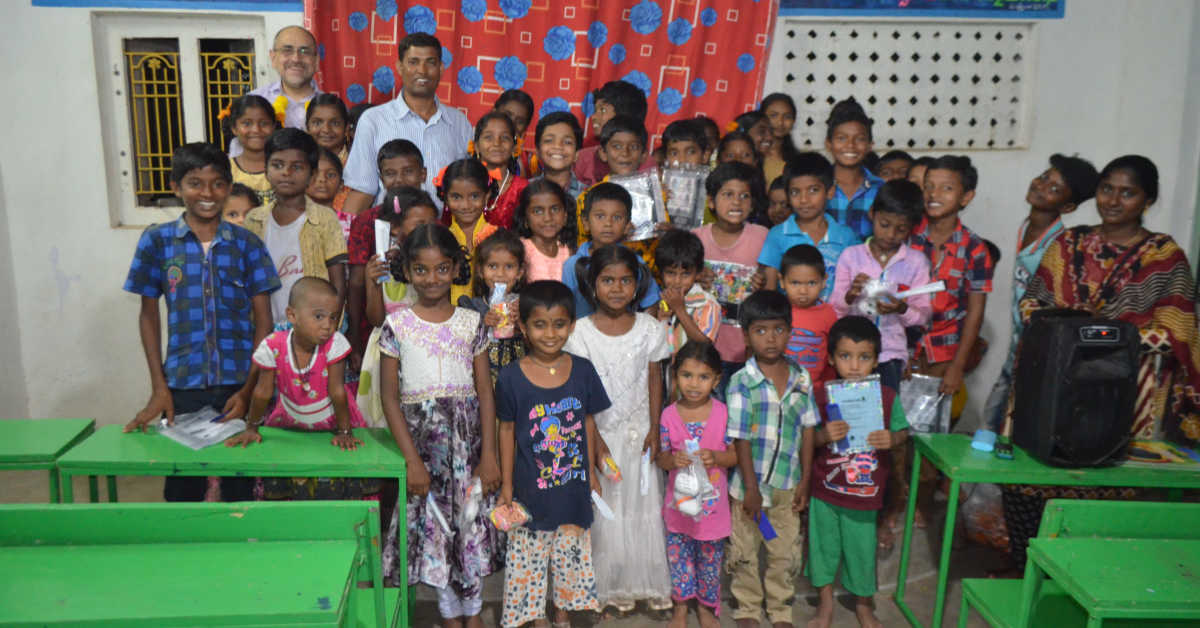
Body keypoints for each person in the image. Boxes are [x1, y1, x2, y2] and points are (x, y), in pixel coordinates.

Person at [1001, 155, 1200, 572]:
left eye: (1127, 192)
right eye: (1107, 188)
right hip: (1053, 385)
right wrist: (1080, 335)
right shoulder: (1069, 244)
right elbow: (1033, 302)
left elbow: (1178, 331)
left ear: (1148, 199)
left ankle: (1090, 583)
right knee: (1030, 483)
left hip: (1126, 396)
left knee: (1109, 496)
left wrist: (1096, 338)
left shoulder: (1165, 257)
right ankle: (1025, 577)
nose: (1112, 200)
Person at [122, 142, 279, 502]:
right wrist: (160, 387)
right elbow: (148, 316)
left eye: (217, 184)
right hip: (182, 384)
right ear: (176, 186)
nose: (207, 194)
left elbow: (264, 321)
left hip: (238, 385)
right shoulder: (157, 242)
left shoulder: (247, 244)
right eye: (195, 183)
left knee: (241, 484)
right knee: (182, 486)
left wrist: (250, 387)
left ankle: (239, 554)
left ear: (228, 186)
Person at [376, 223, 501, 623]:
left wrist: (490, 457)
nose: (432, 279)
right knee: (435, 529)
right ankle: (449, 612)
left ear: (456, 269)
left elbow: (485, 392)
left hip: (469, 449)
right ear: (408, 272)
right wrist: (412, 461)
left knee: (470, 524)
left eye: (442, 269)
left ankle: (475, 610)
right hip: (423, 449)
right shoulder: (396, 326)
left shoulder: (471, 323)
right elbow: (390, 399)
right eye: (422, 270)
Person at [564, 244, 674, 614]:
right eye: (607, 280)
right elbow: (578, 395)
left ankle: (641, 583)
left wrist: (655, 428)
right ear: (592, 285)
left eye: (625, 280)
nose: (616, 288)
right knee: (607, 508)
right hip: (600, 434)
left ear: (637, 284)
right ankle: (609, 587)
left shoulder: (649, 329)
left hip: (639, 430)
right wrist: (590, 443)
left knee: (641, 504)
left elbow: (655, 381)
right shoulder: (579, 333)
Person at [496, 280, 607, 628]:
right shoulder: (511, 378)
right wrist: (507, 486)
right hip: (530, 492)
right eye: (539, 324)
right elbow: (507, 431)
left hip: (572, 489)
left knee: (570, 555)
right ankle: (534, 615)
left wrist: (590, 473)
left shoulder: (583, 371)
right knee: (528, 557)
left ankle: (563, 610)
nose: (550, 334)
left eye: (559, 324)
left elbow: (587, 423)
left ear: (572, 325)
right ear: (523, 328)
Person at [224, 278, 376, 498]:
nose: (328, 325)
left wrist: (344, 432)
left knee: (341, 481)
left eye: (333, 317)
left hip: (333, 422)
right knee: (284, 483)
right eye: (318, 316)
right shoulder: (273, 345)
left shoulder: (335, 343)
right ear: (292, 315)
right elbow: (262, 392)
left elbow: (337, 391)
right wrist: (251, 428)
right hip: (290, 421)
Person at [803, 316, 909, 628]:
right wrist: (824, 435)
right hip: (826, 493)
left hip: (865, 495)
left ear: (876, 360)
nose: (854, 366)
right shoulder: (821, 395)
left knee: (862, 554)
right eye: (845, 356)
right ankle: (825, 607)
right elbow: (807, 440)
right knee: (822, 552)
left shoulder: (887, 398)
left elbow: (903, 433)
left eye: (864, 357)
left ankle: (863, 605)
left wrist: (892, 438)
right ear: (831, 358)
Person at [981, 154, 1098, 433]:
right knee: (993, 423)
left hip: (1038, 355)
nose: (1041, 186)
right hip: (1018, 349)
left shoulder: (1059, 246)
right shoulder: (1027, 226)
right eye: (1045, 177)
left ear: (1068, 206)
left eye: (1054, 188)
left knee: (1001, 426)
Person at [726, 289, 818, 628]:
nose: (771, 338)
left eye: (779, 329)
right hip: (749, 488)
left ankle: (780, 609)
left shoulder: (801, 378)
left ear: (790, 332)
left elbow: (808, 429)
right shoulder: (741, 383)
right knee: (745, 551)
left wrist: (805, 480)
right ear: (746, 335)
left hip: (786, 485)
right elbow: (741, 438)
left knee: (783, 551)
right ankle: (748, 608)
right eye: (760, 330)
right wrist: (751, 488)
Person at [342, 33, 472, 215]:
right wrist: (346, 238)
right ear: (400, 67)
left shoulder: (459, 122)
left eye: (430, 62)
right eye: (413, 62)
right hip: (390, 234)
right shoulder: (374, 120)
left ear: (441, 68)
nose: (422, 71)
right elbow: (362, 191)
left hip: (444, 237)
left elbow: (469, 189)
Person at [657, 342, 736, 628]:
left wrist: (717, 457)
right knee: (679, 559)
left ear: (716, 380)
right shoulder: (668, 415)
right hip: (679, 508)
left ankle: (706, 606)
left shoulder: (723, 413)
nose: (693, 384)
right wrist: (672, 460)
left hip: (713, 511)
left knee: (710, 563)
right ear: (675, 376)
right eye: (686, 375)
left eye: (703, 377)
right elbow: (661, 459)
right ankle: (680, 606)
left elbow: (735, 455)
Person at [831, 180, 932, 390]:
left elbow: (923, 315)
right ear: (872, 214)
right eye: (884, 224)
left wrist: (901, 308)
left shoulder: (916, 262)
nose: (890, 234)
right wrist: (851, 294)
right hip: (853, 353)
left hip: (890, 354)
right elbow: (835, 308)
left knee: (885, 413)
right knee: (853, 412)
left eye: (900, 229)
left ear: (911, 229)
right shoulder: (851, 256)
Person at [908, 155, 993, 398]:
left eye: (946, 188)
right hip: (903, 349)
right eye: (929, 186)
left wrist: (957, 366)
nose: (934, 194)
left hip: (945, 353)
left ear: (966, 197)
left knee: (931, 430)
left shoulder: (974, 249)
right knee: (895, 426)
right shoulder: (907, 236)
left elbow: (975, 313)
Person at [244, 128, 347, 328]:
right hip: (267, 326)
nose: (286, 173)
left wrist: (331, 323)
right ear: (266, 170)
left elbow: (338, 281)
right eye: (278, 165)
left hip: (313, 329)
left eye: (297, 167)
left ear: (312, 174)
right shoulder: (254, 221)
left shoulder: (325, 219)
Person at [357, 186, 439, 426]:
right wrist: (371, 282)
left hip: (425, 350)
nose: (427, 231)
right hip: (388, 351)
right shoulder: (382, 265)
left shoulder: (436, 268)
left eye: (432, 224)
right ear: (395, 228)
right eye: (419, 224)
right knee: (385, 417)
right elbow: (375, 319)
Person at [346, 140, 428, 364]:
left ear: (423, 174)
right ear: (381, 179)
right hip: (376, 325)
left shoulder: (429, 219)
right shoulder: (366, 221)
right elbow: (356, 283)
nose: (400, 180)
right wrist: (354, 339)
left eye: (408, 172)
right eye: (390, 174)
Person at [695, 162, 770, 398]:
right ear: (711, 201)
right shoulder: (697, 239)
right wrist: (696, 280)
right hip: (706, 350)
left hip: (748, 350)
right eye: (728, 194)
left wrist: (763, 284)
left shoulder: (762, 237)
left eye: (744, 196)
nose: (736, 202)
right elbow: (679, 283)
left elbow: (772, 292)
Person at [759, 152, 860, 303]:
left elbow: (855, 284)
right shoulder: (778, 235)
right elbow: (770, 291)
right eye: (795, 192)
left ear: (830, 191)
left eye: (813, 190)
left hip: (835, 321)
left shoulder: (846, 237)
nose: (804, 199)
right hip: (791, 323)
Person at [562, 182, 662, 318]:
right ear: (585, 223)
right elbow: (566, 309)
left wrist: (646, 333)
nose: (608, 223)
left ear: (627, 226)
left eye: (617, 217)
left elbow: (650, 302)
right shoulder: (573, 265)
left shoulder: (634, 261)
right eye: (600, 216)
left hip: (626, 334)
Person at [229, 26, 321, 158]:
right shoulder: (252, 102)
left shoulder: (331, 107)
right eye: (287, 51)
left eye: (304, 51)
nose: (296, 58)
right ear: (273, 58)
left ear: (316, 60)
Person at [457, 229, 528, 386]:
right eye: (492, 266)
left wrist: (522, 322)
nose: (500, 274)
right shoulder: (471, 306)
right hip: (483, 384)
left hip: (519, 382)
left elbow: (538, 343)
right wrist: (482, 324)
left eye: (509, 266)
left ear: (520, 272)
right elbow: (460, 346)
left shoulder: (526, 305)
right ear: (481, 271)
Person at [438, 158, 499, 302]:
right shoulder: (439, 239)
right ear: (445, 197)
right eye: (456, 197)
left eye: (474, 196)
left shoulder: (498, 238)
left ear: (487, 195)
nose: (465, 205)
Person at [824, 98, 885, 240]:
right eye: (841, 138)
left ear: (870, 145)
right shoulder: (817, 186)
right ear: (828, 144)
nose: (850, 145)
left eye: (859, 139)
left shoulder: (881, 189)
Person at [574, 80, 656, 186]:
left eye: (602, 110)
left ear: (624, 115)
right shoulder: (583, 158)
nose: (593, 117)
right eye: (595, 110)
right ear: (604, 153)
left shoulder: (645, 163)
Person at [652, 229, 721, 353]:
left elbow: (704, 344)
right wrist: (663, 320)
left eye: (685, 274)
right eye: (670, 273)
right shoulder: (663, 298)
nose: (677, 281)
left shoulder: (707, 304)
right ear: (660, 272)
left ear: (698, 273)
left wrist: (680, 310)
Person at [779, 244, 839, 383]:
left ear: (824, 281)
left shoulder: (828, 314)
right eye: (795, 283)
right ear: (782, 281)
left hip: (817, 389)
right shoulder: (778, 309)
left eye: (811, 283)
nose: (803, 291)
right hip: (781, 387)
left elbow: (834, 352)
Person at [470, 110, 529, 229]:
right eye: (488, 137)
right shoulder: (462, 184)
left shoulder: (523, 189)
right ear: (476, 147)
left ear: (513, 147)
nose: (497, 143)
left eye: (505, 138)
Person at [515, 178, 577, 282]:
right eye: (538, 211)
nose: (548, 218)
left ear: (565, 216)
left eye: (555, 209)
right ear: (525, 219)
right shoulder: (521, 251)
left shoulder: (568, 252)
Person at [224, 94, 280, 203]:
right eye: (247, 123)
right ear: (234, 128)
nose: (256, 130)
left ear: (273, 126)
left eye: (264, 123)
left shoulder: (286, 167)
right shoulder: (225, 170)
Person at [531, 111, 587, 201]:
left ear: (577, 154)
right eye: (549, 140)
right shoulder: (524, 190)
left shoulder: (589, 195)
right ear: (538, 151)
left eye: (567, 142)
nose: (558, 146)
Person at [759, 94, 802, 186]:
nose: (780, 122)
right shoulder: (750, 156)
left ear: (794, 121)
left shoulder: (799, 161)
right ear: (761, 118)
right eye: (773, 115)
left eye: (787, 117)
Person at [492, 88, 535, 177]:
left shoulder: (531, 163)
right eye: (507, 115)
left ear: (525, 128)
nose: (511, 124)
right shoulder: (474, 152)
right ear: (494, 112)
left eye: (520, 121)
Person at [306, 147, 348, 231]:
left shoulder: (352, 223)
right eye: (314, 174)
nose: (322, 179)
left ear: (340, 184)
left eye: (330, 175)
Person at [305, 93, 350, 164]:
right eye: (317, 123)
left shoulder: (358, 162)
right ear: (307, 127)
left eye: (335, 123)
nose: (326, 130)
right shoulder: (300, 162)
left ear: (346, 128)